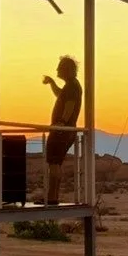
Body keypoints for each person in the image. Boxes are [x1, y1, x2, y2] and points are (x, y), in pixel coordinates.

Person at [42, 55, 83, 205]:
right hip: (64, 131)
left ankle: (52, 198)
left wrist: (61, 123)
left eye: (60, 67)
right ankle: (52, 197)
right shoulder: (71, 86)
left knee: (54, 164)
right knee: (56, 164)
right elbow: (60, 95)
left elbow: (70, 105)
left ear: (68, 70)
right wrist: (52, 82)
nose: (57, 70)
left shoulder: (72, 86)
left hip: (61, 131)